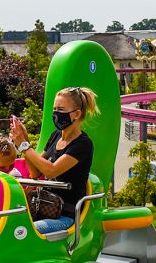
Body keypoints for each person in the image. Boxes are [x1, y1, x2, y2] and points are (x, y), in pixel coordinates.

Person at [10, 86, 98, 234]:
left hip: (65, 216)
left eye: (61, 110)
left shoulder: (82, 144)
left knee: (26, 232)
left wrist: (24, 147)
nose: (56, 114)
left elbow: (51, 170)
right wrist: (25, 141)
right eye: (55, 109)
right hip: (43, 208)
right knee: (7, 224)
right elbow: (36, 172)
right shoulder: (55, 136)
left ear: (76, 114)